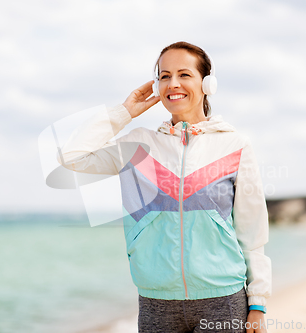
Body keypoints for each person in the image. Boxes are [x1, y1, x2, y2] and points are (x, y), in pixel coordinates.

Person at [57, 41, 271, 333]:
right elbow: (71, 157)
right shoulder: (138, 145)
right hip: (156, 301)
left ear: (207, 83)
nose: (173, 84)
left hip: (222, 300)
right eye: (164, 76)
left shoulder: (234, 145)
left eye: (184, 74)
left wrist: (257, 303)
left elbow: (252, 231)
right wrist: (124, 113)